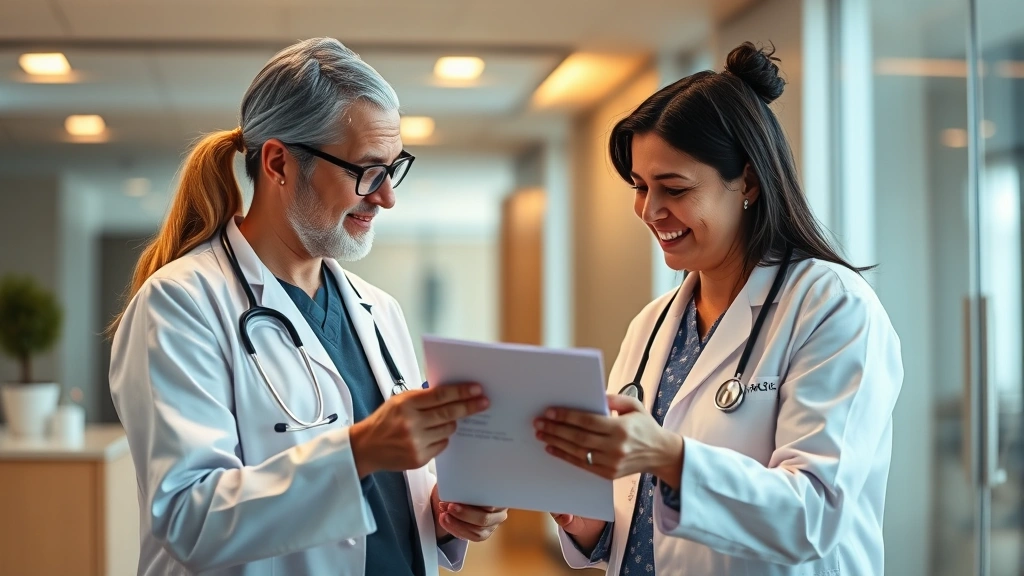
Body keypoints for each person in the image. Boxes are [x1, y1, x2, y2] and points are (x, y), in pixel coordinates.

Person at [108, 38, 507, 576]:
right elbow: (188, 519)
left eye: (394, 168)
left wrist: (441, 512)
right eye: (366, 170)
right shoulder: (181, 304)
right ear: (277, 163)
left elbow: (388, 496)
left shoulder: (377, 310)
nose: (387, 196)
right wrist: (360, 450)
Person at [533, 42, 903, 575]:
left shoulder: (832, 308)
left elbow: (815, 517)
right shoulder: (654, 324)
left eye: (674, 188)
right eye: (639, 187)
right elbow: (637, 513)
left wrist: (669, 456)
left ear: (748, 180)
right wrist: (582, 515)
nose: (650, 211)